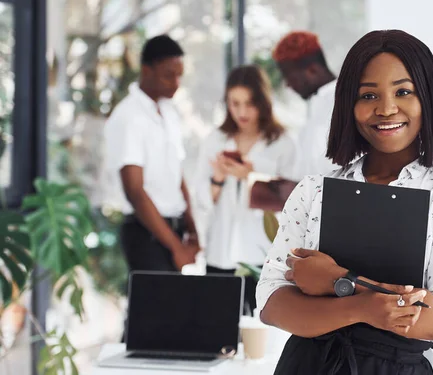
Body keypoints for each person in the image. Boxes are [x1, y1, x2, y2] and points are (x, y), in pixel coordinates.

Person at [257, 30, 433, 375]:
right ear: (350, 103)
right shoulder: (315, 190)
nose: (386, 108)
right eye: (368, 95)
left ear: (428, 99)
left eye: (403, 91)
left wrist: (339, 281)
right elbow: (273, 304)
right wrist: (363, 308)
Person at [195, 65, 296, 314]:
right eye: (234, 103)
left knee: (262, 331)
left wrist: (253, 175)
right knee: (218, 327)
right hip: (221, 251)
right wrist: (218, 178)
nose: (241, 112)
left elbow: (295, 200)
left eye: (249, 103)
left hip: (262, 254)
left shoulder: (283, 143)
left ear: (263, 101)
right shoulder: (215, 140)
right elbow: (202, 201)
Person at [104, 34, 200, 274]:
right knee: (154, 309)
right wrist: (176, 247)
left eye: (179, 75)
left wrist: (193, 230)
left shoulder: (169, 113)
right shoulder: (129, 116)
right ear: (146, 71)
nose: (176, 83)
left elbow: (177, 175)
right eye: (169, 75)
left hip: (173, 230)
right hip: (146, 233)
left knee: (170, 309)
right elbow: (135, 191)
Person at [272, 31, 338, 178]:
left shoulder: (344, 104)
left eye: (289, 77)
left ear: (312, 70)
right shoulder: (317, 105)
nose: (288, 85)